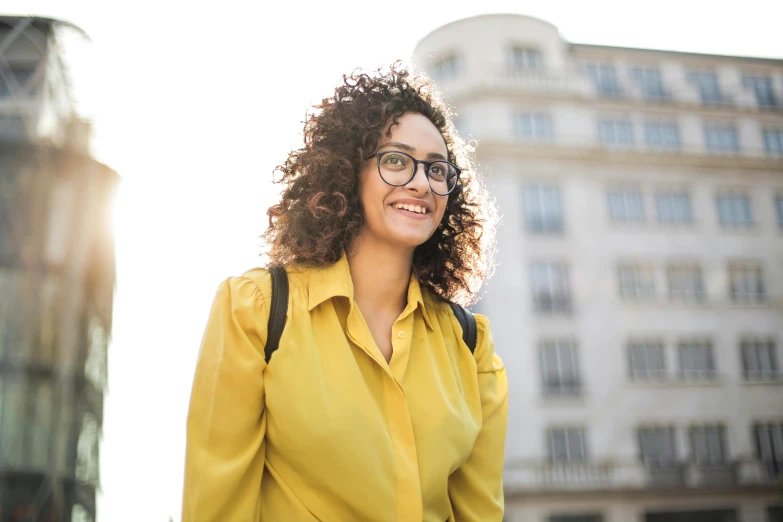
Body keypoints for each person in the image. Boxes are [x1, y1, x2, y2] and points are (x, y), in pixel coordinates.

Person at [182, 62, 507, 522]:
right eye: (396, 160)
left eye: (438, 169)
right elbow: (216, 509)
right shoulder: (255, 309)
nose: (421, 182)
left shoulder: (471, 346)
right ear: (347, 171)